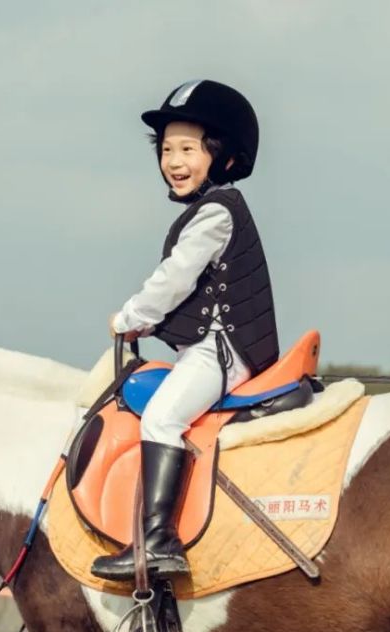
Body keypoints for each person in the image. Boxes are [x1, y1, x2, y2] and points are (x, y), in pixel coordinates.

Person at [90, 80, 279, 582]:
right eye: (167, 149)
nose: (174, 160)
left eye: (188, 150)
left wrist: (130, 317)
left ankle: (157, 542)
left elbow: (175, 278)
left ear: (223, 158)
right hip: (210, 346)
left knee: (160, 419)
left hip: (222, 350)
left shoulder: (217, 212)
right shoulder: (209, 209)